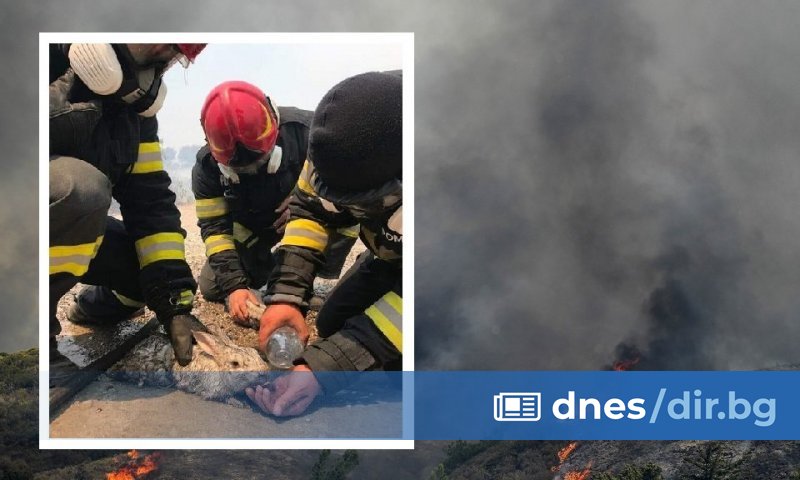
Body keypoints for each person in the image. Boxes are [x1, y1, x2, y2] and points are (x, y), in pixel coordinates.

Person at [49, 43, 207, 386]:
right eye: (158, 44)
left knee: (150, 276)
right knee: (81, 190)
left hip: (62, 218)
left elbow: (149, 203)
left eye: (171, 55)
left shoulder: (133, 113)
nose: (161, 58)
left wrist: (174, 302)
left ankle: (93, 308)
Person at [246, 71, 403, 417]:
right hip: (394, 255)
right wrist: (287, 296)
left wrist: (324, 369)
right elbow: (310, 213)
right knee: (334, 323)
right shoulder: (333, 146)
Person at [192, 81, 358, 324]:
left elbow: (350, 188)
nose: (253, 170)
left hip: (310, 218)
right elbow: (215, 231)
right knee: (211, 286)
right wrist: (235, 286)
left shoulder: (312, 133)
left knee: (340, 214)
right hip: (256, 230)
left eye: (260, 161)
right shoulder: (206, 168)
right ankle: (273, 272)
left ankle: (309, 274)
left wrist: (305, 202)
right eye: (241, 169)